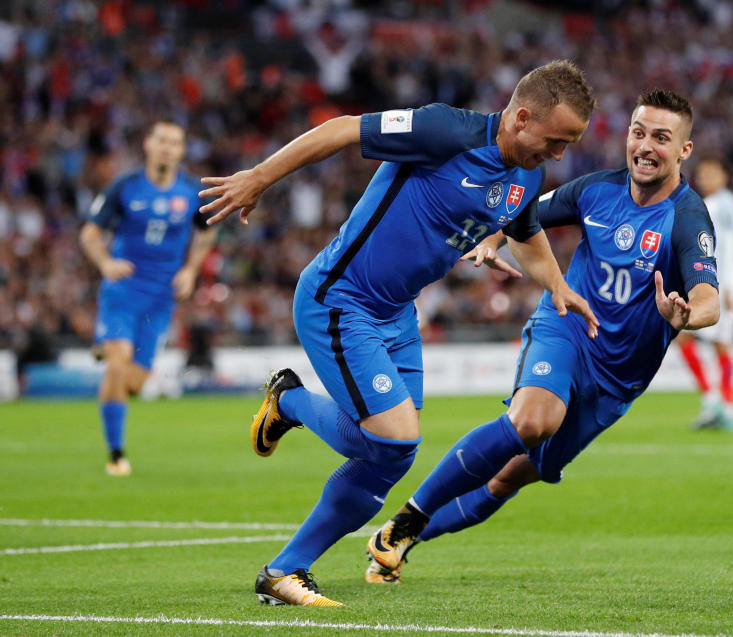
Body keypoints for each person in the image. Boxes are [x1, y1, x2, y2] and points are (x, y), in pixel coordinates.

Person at [199, 60, 599, 607]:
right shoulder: (445, 131)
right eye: (555, 141)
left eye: (568, 145)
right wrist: (259, 177)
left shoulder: (527, 173)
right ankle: (290, 402)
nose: (558, 156)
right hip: (340, 300)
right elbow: (342, 128)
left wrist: (556, 284)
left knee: (393, 455)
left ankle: (284, 572)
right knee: (394, 436)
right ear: (522, 117)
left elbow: (525, 230)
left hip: (396, 315)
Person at [364, 88, 720, 584]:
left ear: (683, 150)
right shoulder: (594, 190)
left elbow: (710, 298)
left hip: (617, 381)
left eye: (662, 138)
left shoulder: (686, 218)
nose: (646, 146)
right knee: (532, 420)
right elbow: (518, 211)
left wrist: (684, 314)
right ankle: (409, 517)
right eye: (639, 133)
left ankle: (400, 542)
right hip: (569, 327)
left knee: (509, 477)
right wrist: (490, 238)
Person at [80, 121, 215, 477]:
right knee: (117, 363)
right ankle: (116, 454)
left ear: (182, 150)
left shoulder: (190, 192)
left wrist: (190, 271)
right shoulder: (124, 187)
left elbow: (205, 235)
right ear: (148, 144)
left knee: (136, 383)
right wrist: (105, 262)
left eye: (175, 142)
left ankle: (104, 346)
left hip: (161, 298)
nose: (167, 148)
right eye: (161, 140)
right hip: (123, 290)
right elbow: (90, 233)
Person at [674, 156, 733, 431]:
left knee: (702, 340)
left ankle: (722, 404)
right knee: (702, 340)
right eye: (702, 174)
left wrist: (726, 288)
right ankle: (719, 402)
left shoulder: (717, 205)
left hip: (719, 284)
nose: (705, 179)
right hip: (723, 282)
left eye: (711, 173)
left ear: (724, 176)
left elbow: (722, 250)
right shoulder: (729, 204)